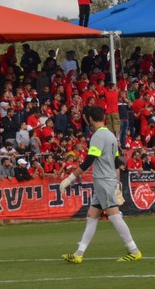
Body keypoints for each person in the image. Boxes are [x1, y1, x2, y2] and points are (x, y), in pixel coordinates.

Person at [60, 105, 142, 263]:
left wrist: (69, 179)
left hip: (104, 180)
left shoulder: (97, 136)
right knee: (92, 216)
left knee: (114, 215)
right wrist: (116, 180)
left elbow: (89, 160)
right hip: (104, 180)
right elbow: (117, 160)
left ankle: (134, 250)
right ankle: (79, 253)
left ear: (90, 119)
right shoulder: (111, 135)